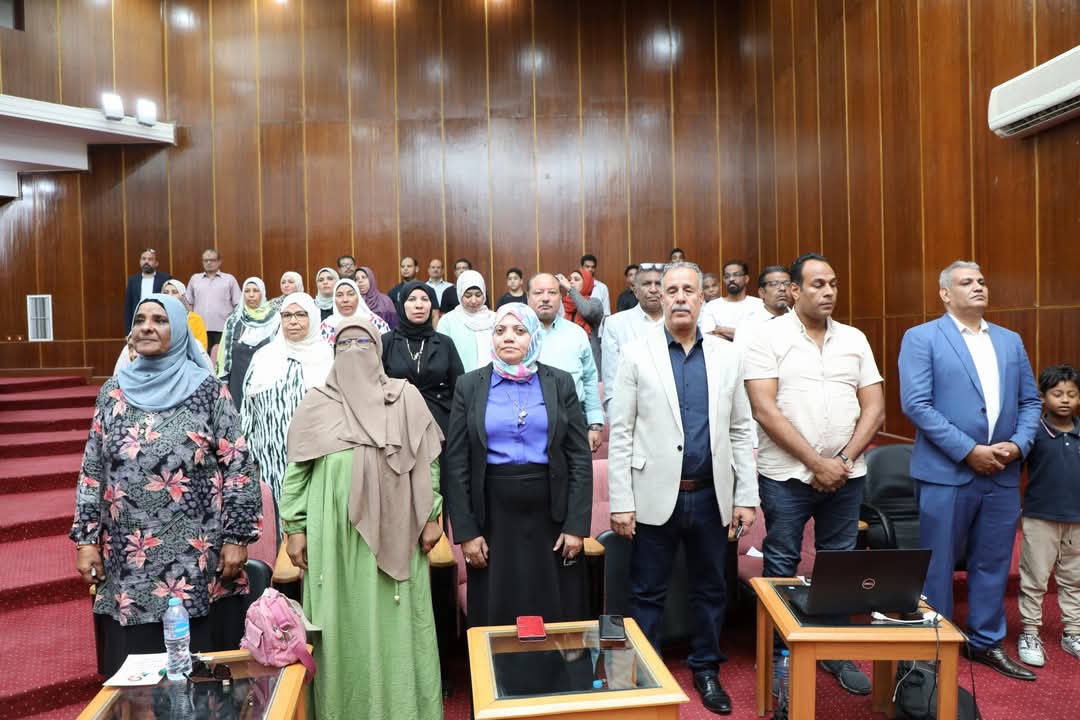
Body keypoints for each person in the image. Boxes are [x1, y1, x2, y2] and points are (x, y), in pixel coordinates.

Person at [72, 294, 261, 677]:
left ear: (177, 330)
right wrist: (87, 541)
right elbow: (92, 470)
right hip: (130, 561)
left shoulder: (208, 391)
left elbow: (238, 466)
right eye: (140, 320)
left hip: (198, 560)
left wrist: (237, 537)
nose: (147, 327)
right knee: (137, 678)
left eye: (159, 320)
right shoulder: (112, 393)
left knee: (201, 675)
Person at [607, 261, 757, 715]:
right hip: (654, 495)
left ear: (701, 297)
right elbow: (621, 433)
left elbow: (740, 429)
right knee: (646, 592)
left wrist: (746, 496)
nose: (678, 297)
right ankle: (647, 674)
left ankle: (706, 668)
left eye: (688, 290)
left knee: (711, 589)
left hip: (711, 495)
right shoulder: (636, 353)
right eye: (670, 290)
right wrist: (621, 501)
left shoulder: (727, 355)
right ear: (659, 296)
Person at [280, 317, 445, 720]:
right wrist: (294, 526)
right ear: (333, 353)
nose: (354, 351)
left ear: (379, 350)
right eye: (344, 344)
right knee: (340, 624)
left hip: (397, 527)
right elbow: (296, 471)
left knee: (397, 624)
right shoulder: (317, 402)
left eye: (363, 343)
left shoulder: (404, 397)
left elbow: (428, 461)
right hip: (333, 533)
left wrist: (431, 515)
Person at [744, 252, 884, 695]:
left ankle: (834, 650)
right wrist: (816, 462)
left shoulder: (854, 338)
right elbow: (764, 409)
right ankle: (780, 655)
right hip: (786, 475)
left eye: (833, 284)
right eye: (818, 284)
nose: (828, 292)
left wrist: (841, 460)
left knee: (839, 563)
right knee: (782, 561)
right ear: (794, 290)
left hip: (847, 474)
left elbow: (875, 407)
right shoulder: (766, 338)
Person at [899, 260, 1040, 681]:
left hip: (1002, 472)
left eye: (981, 281)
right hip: (947, 471)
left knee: (993, 562)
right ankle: (935, 646)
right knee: (937, 564)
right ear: (945, 294)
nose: (978, 286)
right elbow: (916, 404)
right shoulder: (922, 337)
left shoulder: (1010, 341)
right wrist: (968, 451)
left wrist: (1018, 445)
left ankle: (985, 641)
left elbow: (1030, 402)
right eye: (966, 282)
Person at [443, 303, 592, 627]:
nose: (508, 338)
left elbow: (579, 458)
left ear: (534, 337)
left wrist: (576, 526)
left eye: (519, 331)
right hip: (492, 516)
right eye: (500, 331)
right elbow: (456, 463)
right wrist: (466, 532)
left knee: (555, 607)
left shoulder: (560, 382)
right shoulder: (469, 385)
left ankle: (553, 662)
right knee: (498, 608)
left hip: (552, 513)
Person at [241, 292, 333, 515]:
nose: (293, 321)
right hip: (269, 457)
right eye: (287, 315)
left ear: (313, 317)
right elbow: (248, 409)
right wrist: (248, 456)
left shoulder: (327, 357)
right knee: (275, 516)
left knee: (310, 517)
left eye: (301, 315)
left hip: (315, 458)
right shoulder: (263, 357)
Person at [1016, 364, 1080, 667]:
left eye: (1072, 394)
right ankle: (1029, 632)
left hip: (1077, 520)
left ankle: (1073, 632)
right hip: (1040, 518)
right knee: (1034, 579)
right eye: (1057, 394)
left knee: (1074, 580)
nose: (1065, 400)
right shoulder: (1033, 434)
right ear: (1042, 397)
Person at [528, 273, 604, 452]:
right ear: (528, 297)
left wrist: (595, 424)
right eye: (538, 293)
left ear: (561, 297)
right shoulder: (518, 335)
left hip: (573, 419)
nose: (545, 298)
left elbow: (589, 380)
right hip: (529, 422)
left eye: (552, 292)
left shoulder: (576, 334)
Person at [382, 281, 465, 436]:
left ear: (431, 306)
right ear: (402, 305)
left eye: (425, 299)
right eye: (412, 299)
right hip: (397, 424)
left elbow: (459, 389)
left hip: (440, 424)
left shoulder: (444, 343)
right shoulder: (387, 342)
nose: (419, 305)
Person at [600, 263, 663, 414]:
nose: (653, 289)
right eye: (647, 284)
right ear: (635, 291)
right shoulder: (616, 324)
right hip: (632, 414)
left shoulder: (679, 322)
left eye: (659, 284)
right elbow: (611, 384)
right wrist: (617, 422)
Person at [217, 278, 281, 410]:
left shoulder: (275, 320)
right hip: (237, 380)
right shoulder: (233, 321)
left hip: (266, 381)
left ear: (263, 293)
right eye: (247, 291)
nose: (251, 295)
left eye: (255, 291)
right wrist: (223, 382)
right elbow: (223, 353)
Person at [436, 270, 496, 372]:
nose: (473, 300)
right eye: (468, 296)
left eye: (478, 295)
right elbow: (442, 355)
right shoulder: (447, 321)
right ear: (460, 295)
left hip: (493, 377)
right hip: (460, 378)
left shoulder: (495, 318)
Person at [186, 248, 242, 351]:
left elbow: (238, 304)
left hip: (223, 329)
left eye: (212, 260)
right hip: (200, 329)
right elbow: (189, 303)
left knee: (220, 357)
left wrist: (232, 324)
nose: (208, 263)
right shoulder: (195, 279)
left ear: (219, 262)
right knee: (202, 356)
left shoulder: (229, 279)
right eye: (205, 260)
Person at [699, 260, 764, 341]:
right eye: (727, 276)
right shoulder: (712, 306)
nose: (731, 279)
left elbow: (760, 337)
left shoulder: (758, 305)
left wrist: (722, 330)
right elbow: (708, 338)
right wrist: (743, 335)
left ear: (746, 279)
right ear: (723, 280)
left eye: (736, 275)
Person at [320, 278, 391, 344]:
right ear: (334, 299)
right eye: (339, 295)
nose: (345, 300)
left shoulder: (375, 323)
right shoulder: (326, 326)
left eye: (350, 294)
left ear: (359, 298)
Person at [558, 269, 604, 368]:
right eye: (569, 280)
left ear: (587, 283)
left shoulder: (595, 303)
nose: (571, 282)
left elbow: (586, 311)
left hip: (588, 362)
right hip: (566, 360)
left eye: (576, 279)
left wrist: (570, 288)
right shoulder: (562, 304)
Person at [123, 248, 172, 332]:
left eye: (150, 259)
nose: (146, 261)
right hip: (139, 320)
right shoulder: (133, 280)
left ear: (156, 263)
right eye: (143, 259)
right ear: (140, 262)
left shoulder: (165, 278)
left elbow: (169, 303)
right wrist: (128, 331)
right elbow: (128, 307)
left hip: (158, 320)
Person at [162, 279, 209, 351]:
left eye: (174, 292)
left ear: (183, 296)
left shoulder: (195, 319)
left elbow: (201, 347)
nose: (170, 295)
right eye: (166, 292)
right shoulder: (158, 318)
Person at [357, 265, 399, 329]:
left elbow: (395, 326)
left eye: (364, 277)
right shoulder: (354, 302)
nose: (360, 281)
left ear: (371, 279)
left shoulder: (385, 301)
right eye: (357, 279)